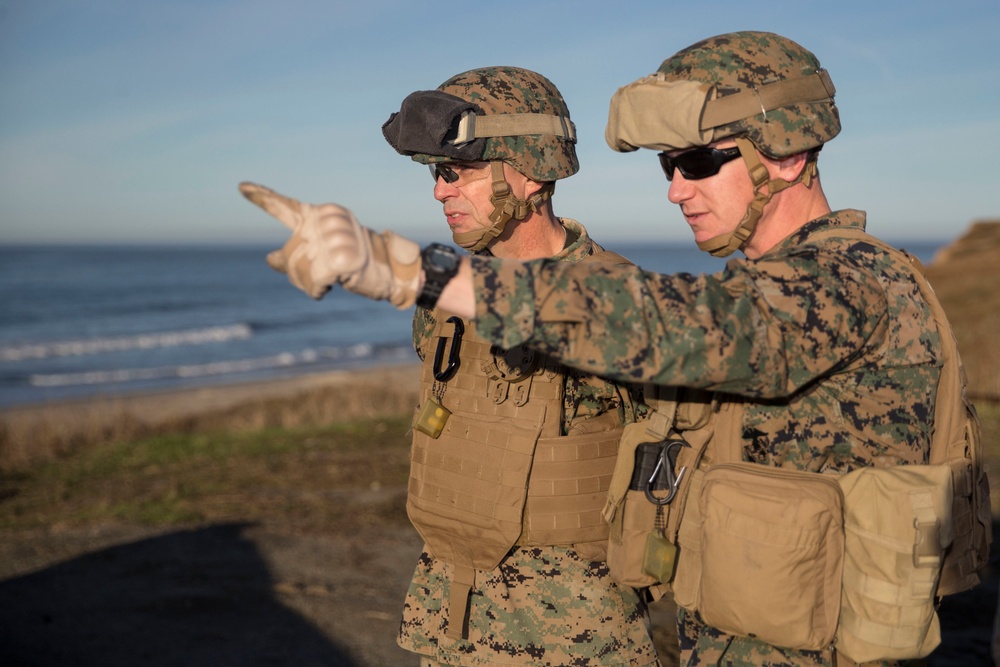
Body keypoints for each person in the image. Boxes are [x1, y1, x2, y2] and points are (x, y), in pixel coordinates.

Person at [242, 32, 988, 667]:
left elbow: (686, 325)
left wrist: (409, 270)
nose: (675, 190)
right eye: (667, 166)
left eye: (697, 162)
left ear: (788, 154)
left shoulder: (854, 282)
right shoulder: (769, 288)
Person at [245, 66, 666, 666]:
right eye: (438, 174)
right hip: (451, 622)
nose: (440, 192)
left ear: (531, 173)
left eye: (458, 172)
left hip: (577, 635)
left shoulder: (626, 300)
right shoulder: (439, 307)